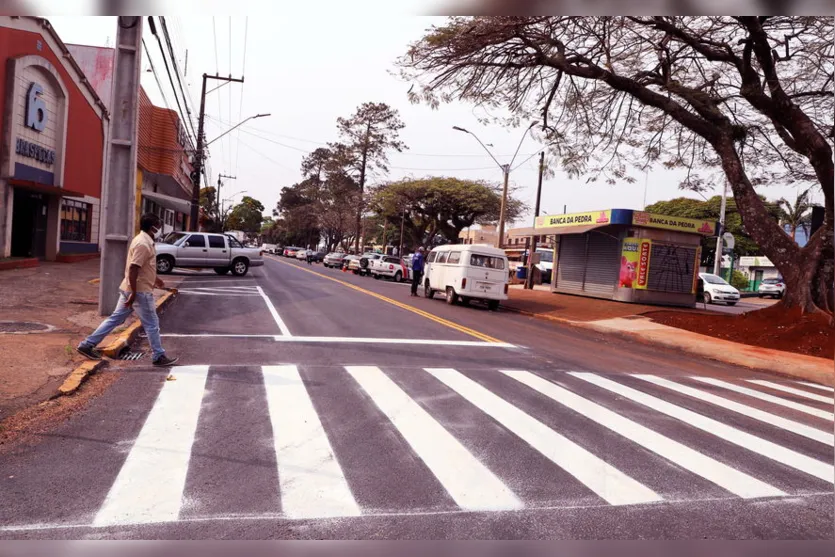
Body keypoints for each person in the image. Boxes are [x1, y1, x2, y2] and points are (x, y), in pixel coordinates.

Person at [76, 213, 179, 367]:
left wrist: (155, 280)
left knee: (115, 319)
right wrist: (134, 294)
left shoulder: (144, 240)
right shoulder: (143, 244)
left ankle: (87, 344)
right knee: (152, 324)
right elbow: (133, 269)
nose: (160, 227)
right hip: (139, 292)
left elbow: (144, 267)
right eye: (158, 225)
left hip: (133, 289)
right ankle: (158, 356)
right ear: (152, 227)